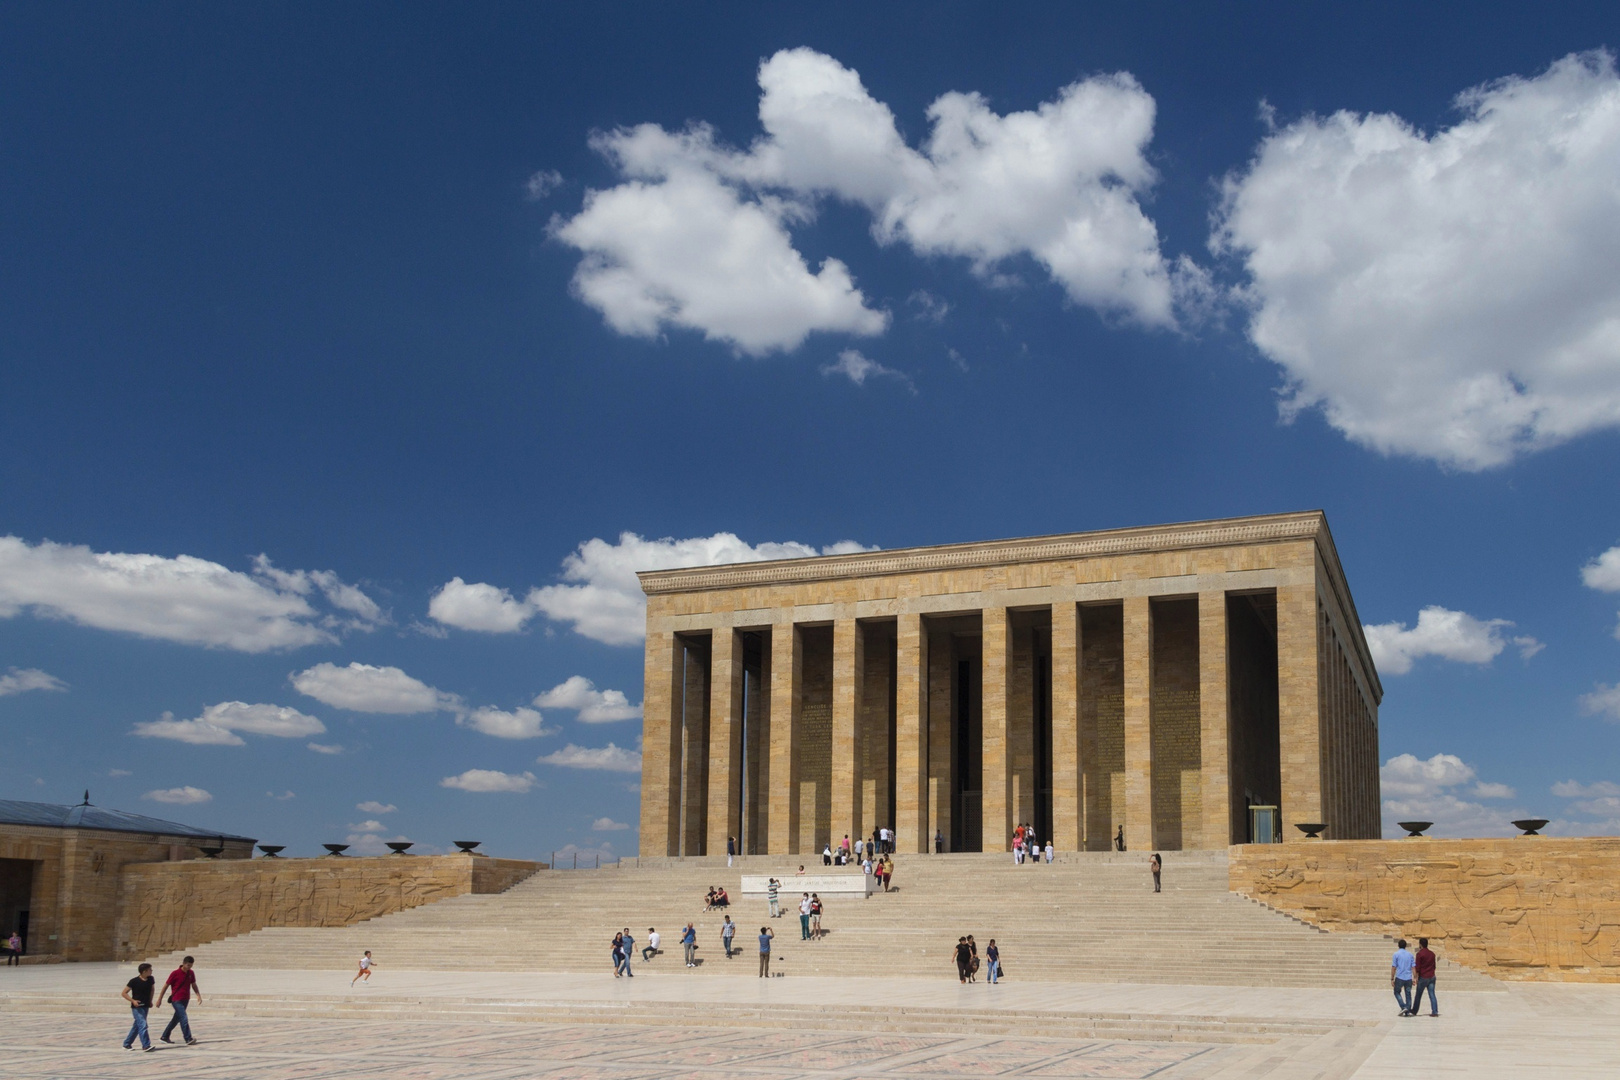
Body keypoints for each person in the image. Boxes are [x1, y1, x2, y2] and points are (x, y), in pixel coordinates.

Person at [158, 955, 201, 1045]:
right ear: (183, 964)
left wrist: (198, 995)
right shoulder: (175, 973)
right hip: (176, 999)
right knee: (183, 1017)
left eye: (191, 965)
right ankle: (188, 1038)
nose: (189, 967)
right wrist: (160, 999)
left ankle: (164, 1036)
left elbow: (194, 985)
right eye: (188, 965)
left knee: (176, 1019)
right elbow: (165, 986)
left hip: (185, 999)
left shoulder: (191, 973)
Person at [121, 962, 156, 1051]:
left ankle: (127, 1043)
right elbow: (124, 993)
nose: (151, 971)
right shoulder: (134, 981)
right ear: (144, 971)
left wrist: (150, 1000)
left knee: (137, 1026)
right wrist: (133, 1001)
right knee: (143, 1025)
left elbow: (152, 989)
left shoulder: (151, 979)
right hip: (137, 1007)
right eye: (150, 970)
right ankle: (146, 1045)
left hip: (146, 1005)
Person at [1415, 938, 1440, 1017]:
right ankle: (1435, 1011)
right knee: (1432, 994)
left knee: (1418, 995)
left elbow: (1417, 968)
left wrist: (1416, 977)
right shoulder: (1432, 954)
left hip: (1423, 977)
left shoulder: (1419, 954)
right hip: (1432, 976)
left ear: (1420, 944)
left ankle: (1414, 1011)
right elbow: (1434, 966)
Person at [1391, 938, 1417, 1015]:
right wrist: (1415, 977)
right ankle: (1407, 1009)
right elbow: (1413, 967)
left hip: (1399, 977)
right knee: (1408, 994)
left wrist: (1392, 978)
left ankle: (1403, 1007)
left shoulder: (1396, 954)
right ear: (1406, 946)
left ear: (1398, 946)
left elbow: (1394, 967)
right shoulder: (1410, 955)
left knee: (1396, 992)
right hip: (1408, 977)